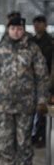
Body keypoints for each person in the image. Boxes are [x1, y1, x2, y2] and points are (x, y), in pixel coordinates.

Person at [0, 16, 49, 165]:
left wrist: (42, 100)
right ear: (8, 30)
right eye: (13, 29)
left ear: (23, 29)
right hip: (4, 105)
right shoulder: (0, 51)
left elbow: (42, 76)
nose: (16, 32)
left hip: (26, 105)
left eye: (19, 29)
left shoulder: (32, 50)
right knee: (5, 140)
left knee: (24, 141)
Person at [31, 15, 53, 147]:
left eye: (40, 23)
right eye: (35, 23)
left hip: (45, 81)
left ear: (45, 25)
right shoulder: (31, 41)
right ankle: (33, 136)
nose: (37, 26)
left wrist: (51, 87)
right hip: (30, 82)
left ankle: (42, 137)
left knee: (43, 111)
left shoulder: (50, 42)